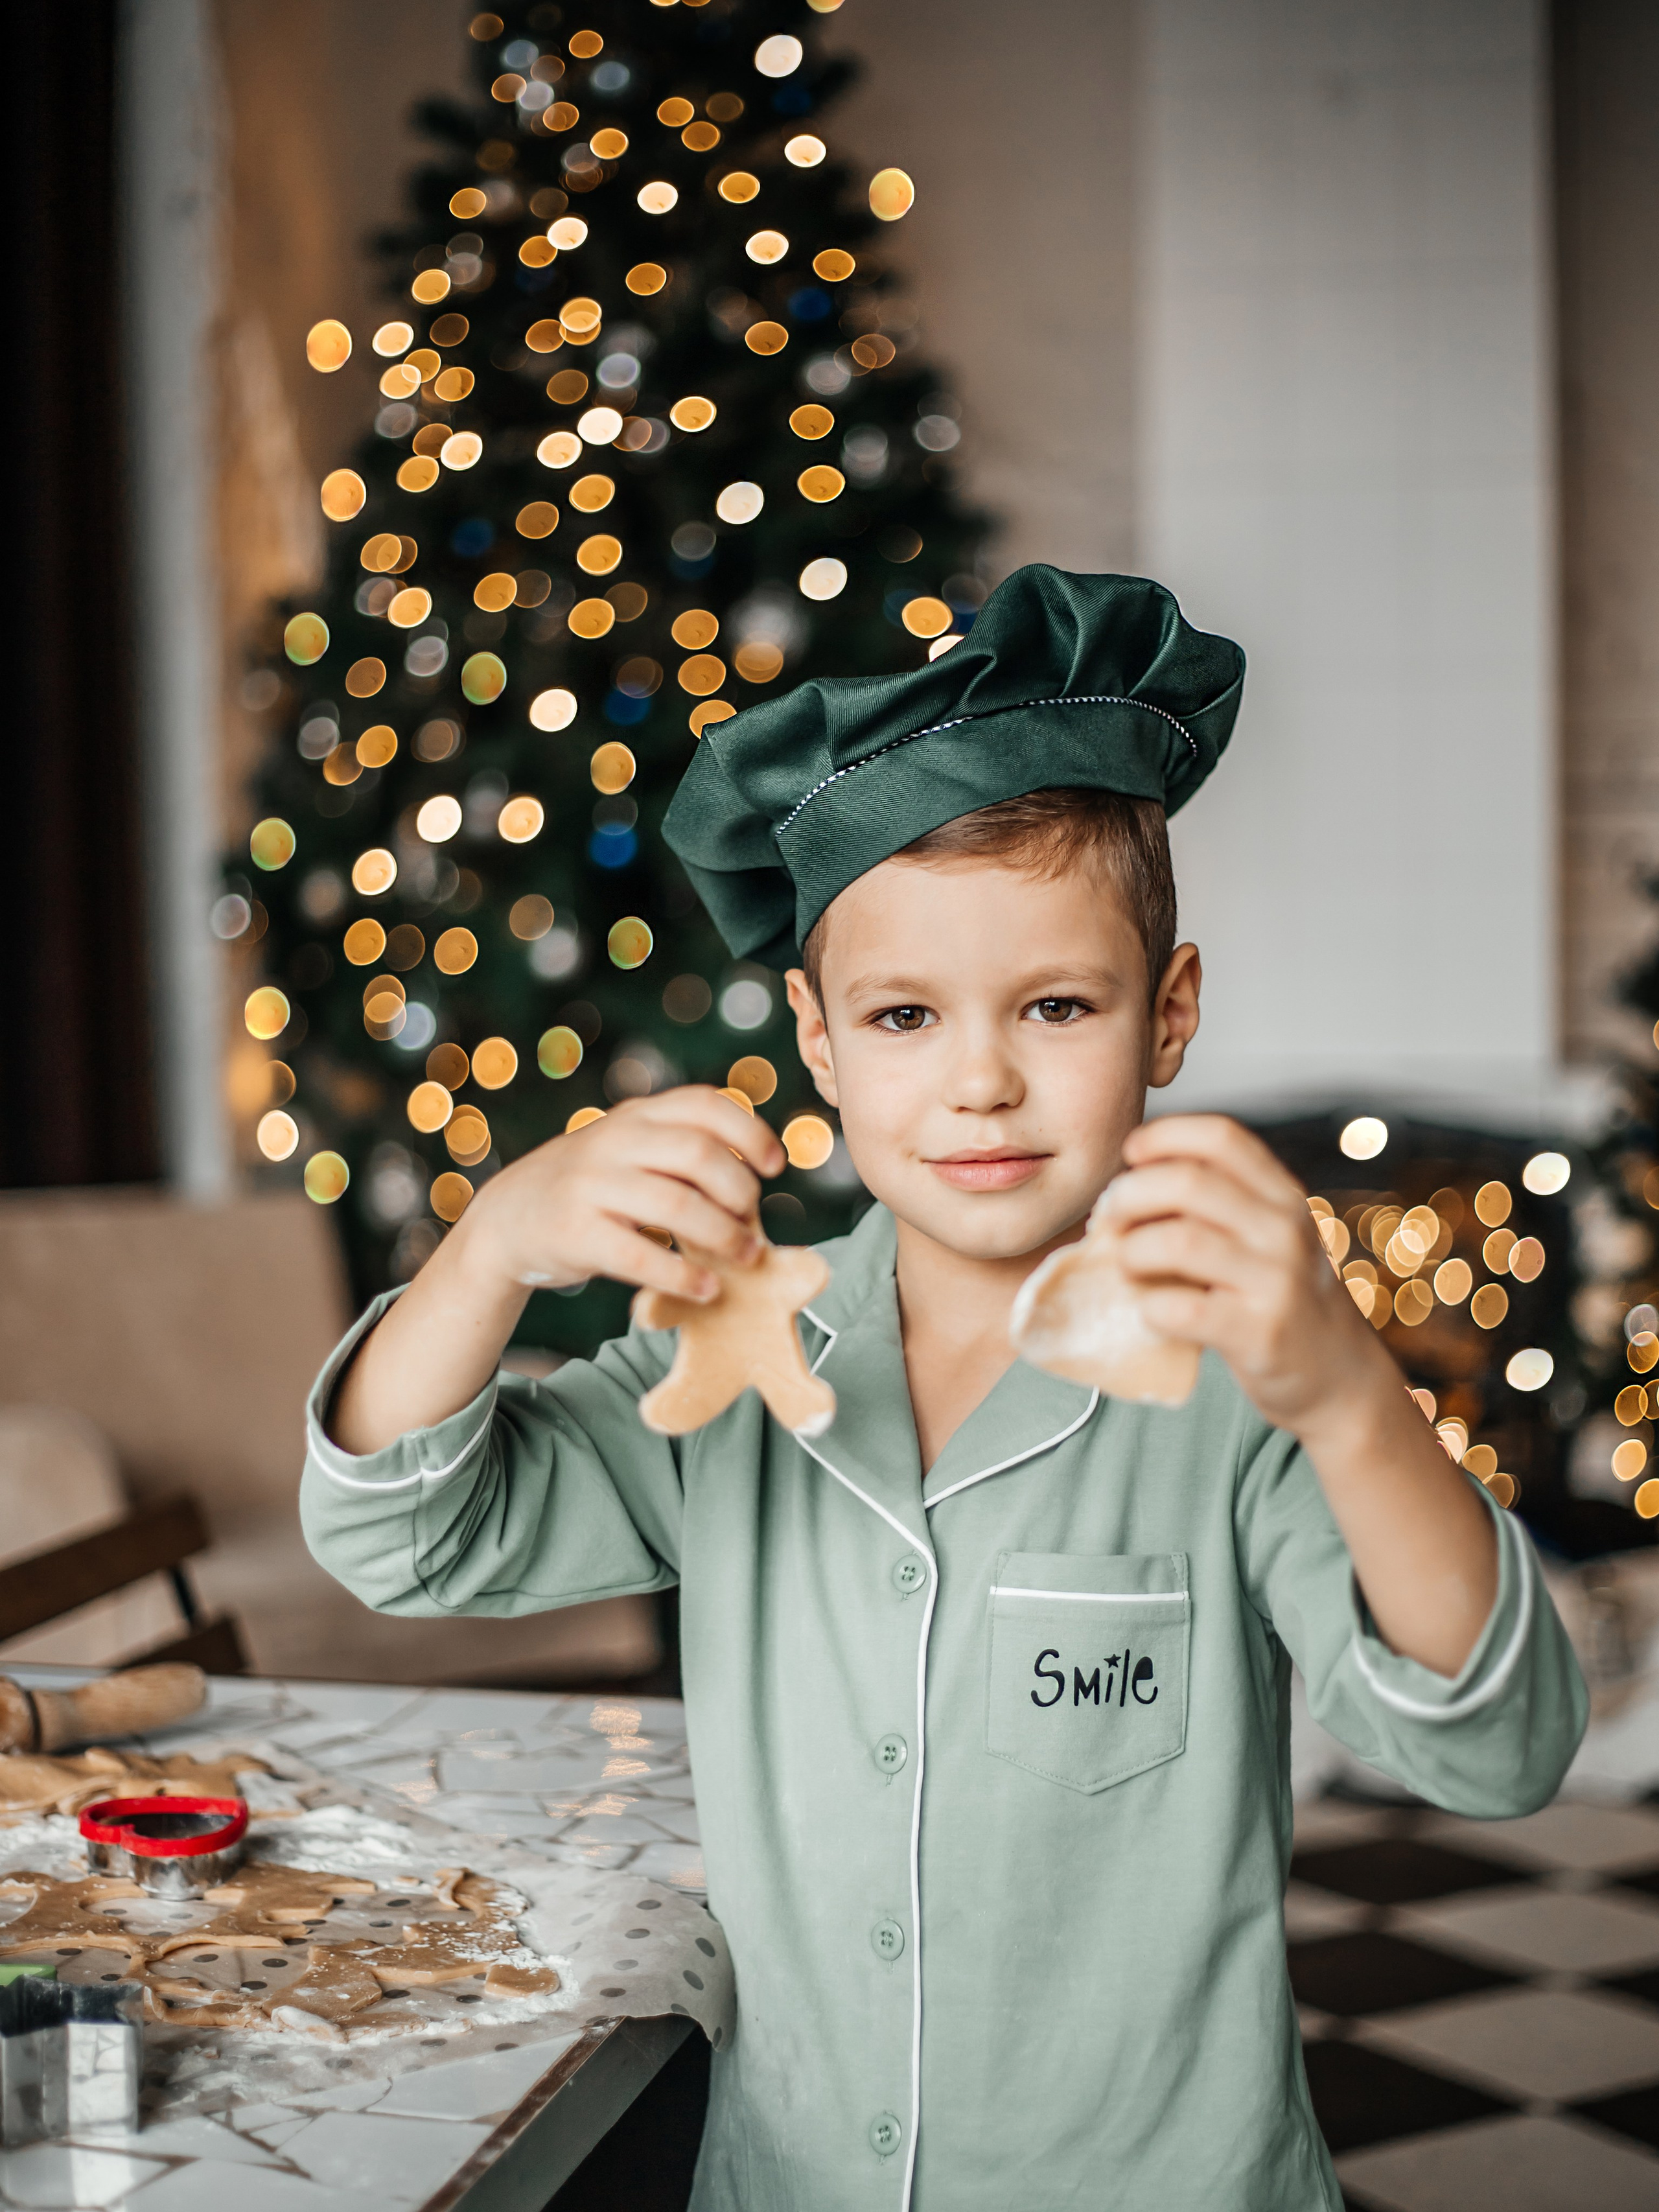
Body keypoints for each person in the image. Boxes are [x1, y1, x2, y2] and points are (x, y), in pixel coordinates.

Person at [301, 566, 1586, 2211]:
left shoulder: (1238, 1392)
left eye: (1055, 1006)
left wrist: (1343, 1397)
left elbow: (1499, 1748)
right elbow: (402, 1537)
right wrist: (489, 1250)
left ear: (1167, 1016)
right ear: (820, 1042)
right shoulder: (726, 1369)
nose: (979, 1079)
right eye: (904, 1015)